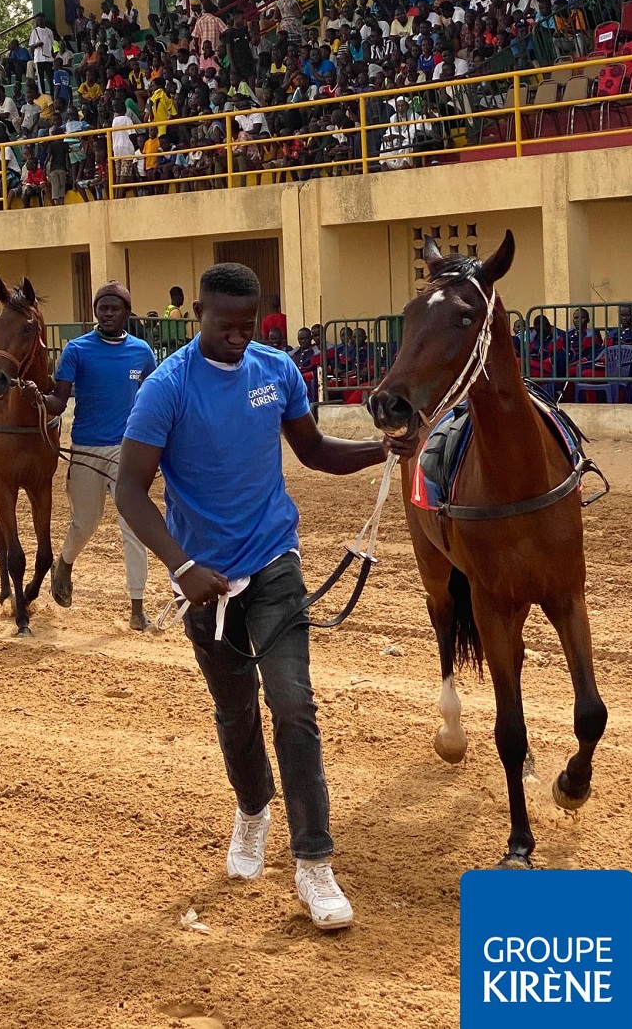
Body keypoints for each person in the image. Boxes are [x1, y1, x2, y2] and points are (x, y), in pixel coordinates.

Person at [114, 263, 416, 931]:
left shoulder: (276, 371)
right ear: (198, 314)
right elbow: (128, 489)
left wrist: (380, 451)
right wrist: (182, 565)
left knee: (295, 707)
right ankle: (253, 810)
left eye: (249, 326)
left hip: (275, 562)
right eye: (225, 326)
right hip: (205, 582)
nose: (237, 338)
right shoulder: (167, 389)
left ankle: (314, 866)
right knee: (235, 711)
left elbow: (310, 452)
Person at [41, 282, 156, 631]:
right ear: (95, 311)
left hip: (128, 449)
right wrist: (35, 398)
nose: (107, 313)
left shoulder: (142, 352)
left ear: (126, 313)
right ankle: (64, 563)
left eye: (114, 308)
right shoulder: (76, 350)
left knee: (133, 526)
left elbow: (152, 400)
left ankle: (137, 609)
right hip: (87, 449)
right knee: (84, 524)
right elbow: (59, 402)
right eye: (102, 308)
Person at [28, 13, 56, 96]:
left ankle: (52, 95)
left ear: (44, 19)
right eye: (38, 20)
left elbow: (51, 44)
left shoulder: (49, 31)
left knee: (51, 78)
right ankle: (43, 95)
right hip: (39, 59)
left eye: (41, 19)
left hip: (48, 58)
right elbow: (31, 46)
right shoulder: (34, 32)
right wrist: (37, 44)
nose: (39, 21)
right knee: (40, 79)